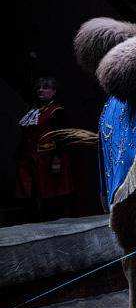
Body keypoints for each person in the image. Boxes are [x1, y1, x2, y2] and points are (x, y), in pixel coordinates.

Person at [16, 76, 74, 220]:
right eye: (39, 87)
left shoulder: (57, 111)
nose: (40, 90)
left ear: (53, 92)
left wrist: (56, 159)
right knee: (29, 191)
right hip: (30, 158)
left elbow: (62, 136)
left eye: (45, 87)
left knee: (50, 192)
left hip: (48, 157)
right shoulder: (34, 110)